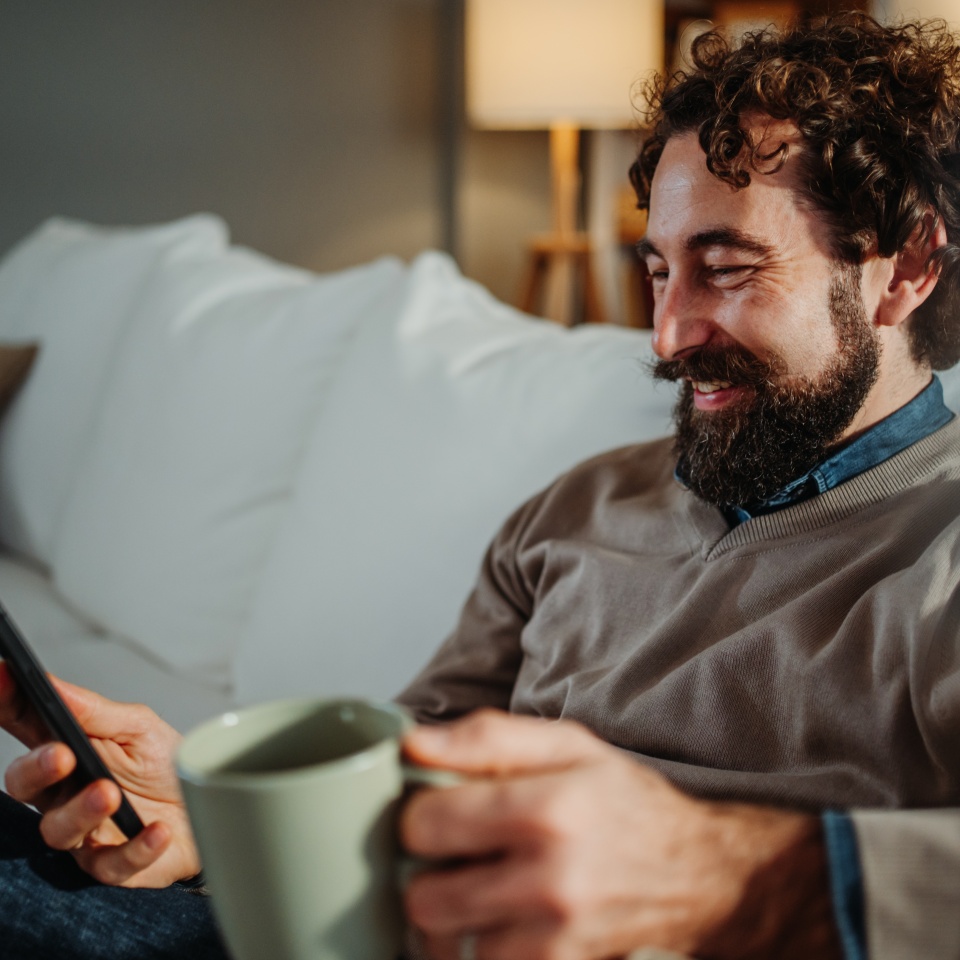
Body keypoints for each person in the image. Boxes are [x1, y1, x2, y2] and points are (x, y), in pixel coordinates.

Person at [2, 11, 960, 960]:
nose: (666, 335)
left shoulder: (940, 551)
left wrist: (728, 874)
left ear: (906, 266)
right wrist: (215, 811)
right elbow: (405, 775)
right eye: (660, 270)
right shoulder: (582, 505)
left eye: (728, 269)